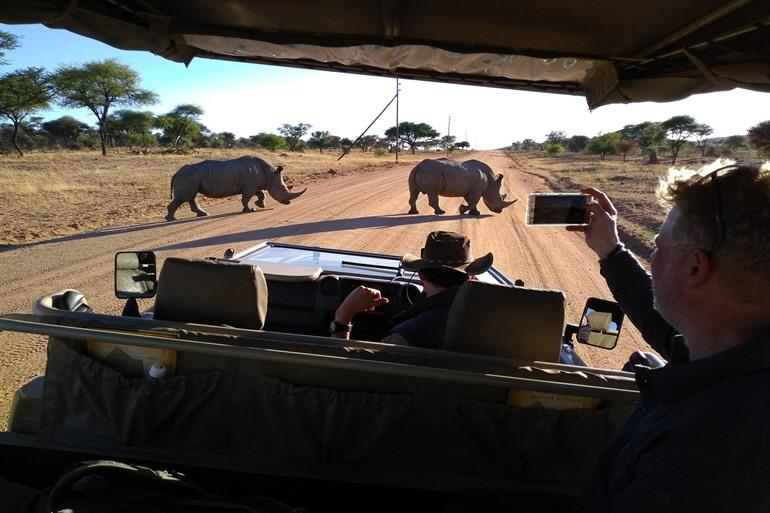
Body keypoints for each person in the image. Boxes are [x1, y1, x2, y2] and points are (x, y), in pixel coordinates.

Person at [568, 161, 770, 512]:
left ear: (695, 267)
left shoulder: (708, 448)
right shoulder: (729, 346)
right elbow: (661, 325)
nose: (654, 258)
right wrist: (611, 251)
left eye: (658, 248)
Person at [330, 230, 493, 349]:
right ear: (471, 276)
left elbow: (349, 372)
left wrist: (343, 317)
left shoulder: (408, 335)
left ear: (421, 274)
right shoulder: (490, 319)